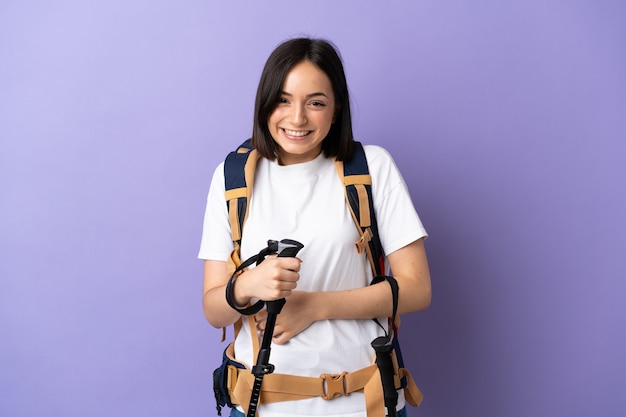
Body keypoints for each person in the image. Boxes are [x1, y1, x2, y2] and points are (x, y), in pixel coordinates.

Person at [198, 37, 432, 417]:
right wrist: (247, 285)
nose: (297, 118)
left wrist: (314, 306)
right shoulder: (232, 178)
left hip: (364, 402)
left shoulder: (371, 168)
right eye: (283, 100)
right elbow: (213, 310)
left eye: (316, 102)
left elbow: (418, 290)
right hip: (260, 405)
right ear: (265, 103)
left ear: (336, 109)